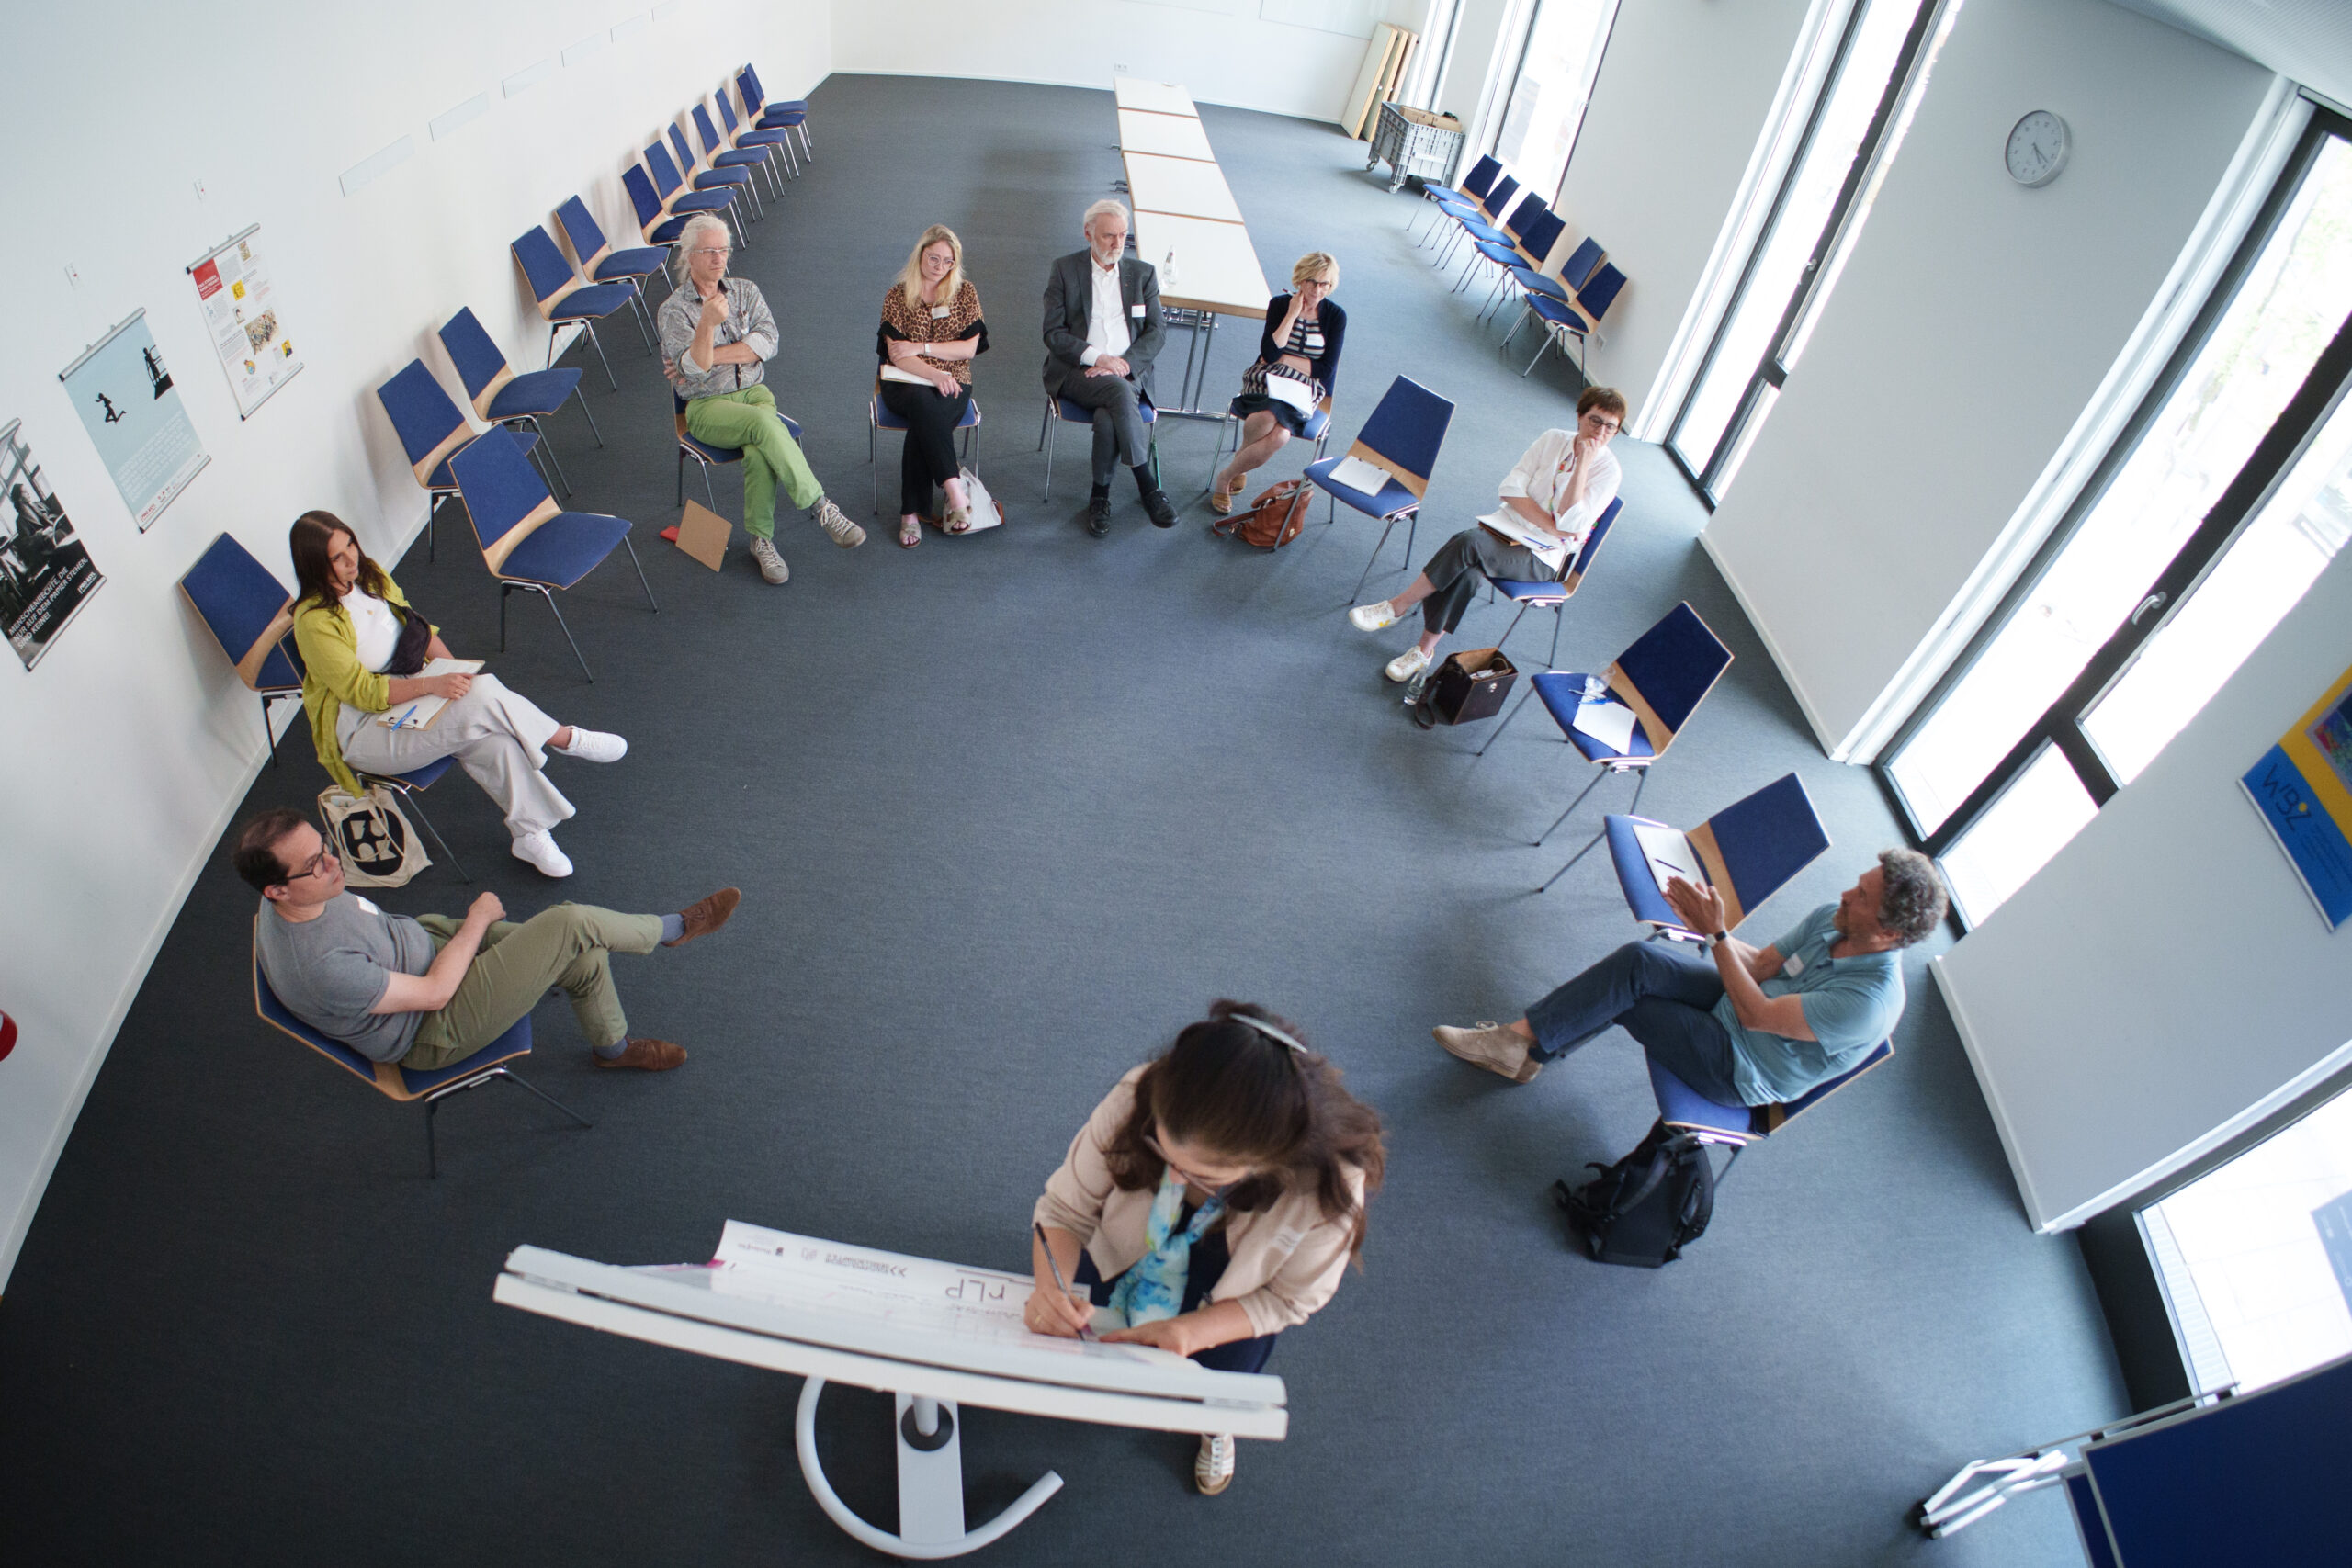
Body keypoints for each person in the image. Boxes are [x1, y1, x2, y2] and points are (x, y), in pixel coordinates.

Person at [1027, 1001, 1385, 1495]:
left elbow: (1286, 1299)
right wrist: (1053, 1284)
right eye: (1162, 1150)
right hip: (1128, 1251)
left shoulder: (1331, 1188)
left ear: (1272, 1161)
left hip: (1236, 1288)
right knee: (1097, 1336)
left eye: (1205, 1176)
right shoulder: (1140, 1096)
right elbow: (1065, 1210)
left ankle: (1216, 1422)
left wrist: (1189, 1331)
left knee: (1221, 1384)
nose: (1177, 1176)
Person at [237, 807, 741, 1073]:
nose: (333, 862)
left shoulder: (293, 897)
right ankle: (675, 927)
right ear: (276, 889)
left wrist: (449, 933)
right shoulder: (320, 966)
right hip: (433, 1026)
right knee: (571, 923)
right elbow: (434, 994)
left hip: (430, 945)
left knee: (583, 956)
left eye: (324, 848)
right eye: (315, 864)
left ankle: (612, 1052)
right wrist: (477, 920)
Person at [1432, 852, 1949, 1103]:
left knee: (1632, 999)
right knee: (1640, 962)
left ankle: (1522, 1050)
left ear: (1886, 932)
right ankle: (1521, 1047)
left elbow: (1759, 1015)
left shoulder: (1869, 1002)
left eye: (1861, 897)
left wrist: (1718, 937)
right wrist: (1708, 928)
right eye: (1856, 885)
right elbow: (1765, 967)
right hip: (1741, 1008)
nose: (1844, 895)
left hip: (1745, 1067)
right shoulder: (1831, 919)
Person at [286, 511, 620, 879]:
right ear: (316, 565)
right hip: (366, 730)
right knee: (484, 698)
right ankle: (564, 738)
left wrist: (453, 672)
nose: (351, 558)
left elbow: (419, 629)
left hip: (411, 689)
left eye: (350, 543)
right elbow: (362, 692)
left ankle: (529, 834)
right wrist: (432, 685)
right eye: (337, 557)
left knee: (490, 730)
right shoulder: (314, 622)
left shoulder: (370, 574)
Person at [1347, 386, 1627, 683]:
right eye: (1595, 420)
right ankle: (1424, 652)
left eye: (1611, 427)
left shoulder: (1609, 472)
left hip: (1542, 557)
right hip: (1506, 530)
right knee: (1468, 570)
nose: (1600, 432)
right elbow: (1509, 488)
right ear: (1580, 416)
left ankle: (1398, 605)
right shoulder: (1552, 439)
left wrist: (1583, 464)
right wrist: (1552, 525)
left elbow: (1571, 521)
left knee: (1467, 543)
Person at [659, 212, 865, 585]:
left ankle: (760, 541)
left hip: (756, 394)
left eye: (724, 250)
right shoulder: (673, 311)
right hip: (706, 405)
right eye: (709, 251)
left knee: (758, 450)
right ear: (688, 255)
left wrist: (711, 354)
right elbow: (691, 373)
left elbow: (767, 342)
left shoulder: (745, 291)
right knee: (763, 425)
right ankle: (822, 507)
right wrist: (706, 324)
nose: (719, 258)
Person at [1042, 199, 1174, 536]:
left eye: (1122, 235)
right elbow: (1053, 334)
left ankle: (1099, 495)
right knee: (1116, 391)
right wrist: (1098, 359)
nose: (1117, 244)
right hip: (1077, 371)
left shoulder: (1142, 274)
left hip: (1128, 372)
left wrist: (1123, 364)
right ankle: (1148, 486)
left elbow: (1157, 332)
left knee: (1107, 416)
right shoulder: (1064, 269)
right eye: (1108, 236)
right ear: (1088, 234)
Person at [1209, 253, 1347, 515]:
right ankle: (1238, 468)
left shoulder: (1336, 316)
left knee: (1279, 432)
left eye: (1325, 284)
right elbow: (1270, 355)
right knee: (1266, 419)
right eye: (1312, 282)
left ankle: (1228, 474)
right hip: (1267, 376)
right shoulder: (1280, 304)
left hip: (1305, 387)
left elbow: (1326, 369)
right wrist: (1292, 315)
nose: (1318, 290)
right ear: (1300, 280)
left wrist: (1286, 357)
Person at [877, 224, 989, 548]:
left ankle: (910, 515)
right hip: (906, 380)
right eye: (934, 259)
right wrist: (934, 373)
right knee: (923, 405)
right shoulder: (897, 295)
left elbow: (968, 349)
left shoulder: (964, 292)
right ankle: (954, 489)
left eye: (948, 262)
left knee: (923, 423)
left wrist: (922, 347)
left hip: (954, 381)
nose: (940, 267)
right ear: (920, 254)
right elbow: (898, 356)